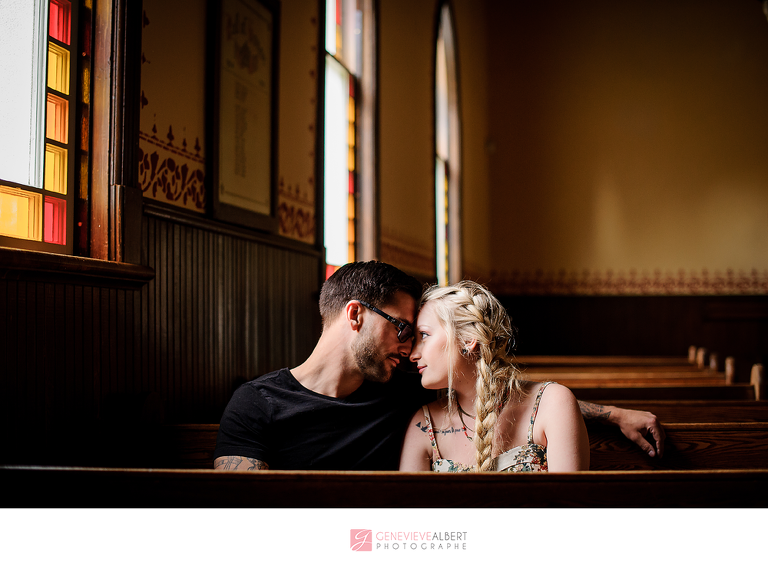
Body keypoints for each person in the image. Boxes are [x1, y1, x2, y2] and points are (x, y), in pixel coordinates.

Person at [214, 261, 664, 471]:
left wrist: (612, 415)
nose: (409, 349)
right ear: (355, 316)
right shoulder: (257, 405)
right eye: (402, 329)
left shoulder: (403, 389)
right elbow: (245, 518)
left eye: (419, 334)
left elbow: (506, 399)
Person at [399, 280, 590, 472]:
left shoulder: (552, 403)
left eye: (424, 335)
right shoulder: (424, 424)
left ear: (468, 339)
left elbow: (568, 500)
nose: (413, 353)